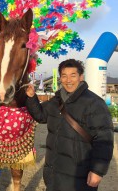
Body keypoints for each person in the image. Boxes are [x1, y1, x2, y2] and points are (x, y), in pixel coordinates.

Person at [25, 59, 114, 191]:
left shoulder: (94, 103)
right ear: (60, 78)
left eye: (73, 75)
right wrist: (32, 97)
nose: (68, 80)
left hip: (79, 173)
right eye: (64, 76)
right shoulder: (57, 100)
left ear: (81, 77)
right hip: (54, 170)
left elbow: (104, 139)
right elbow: (41, 116)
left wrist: (97, 171)